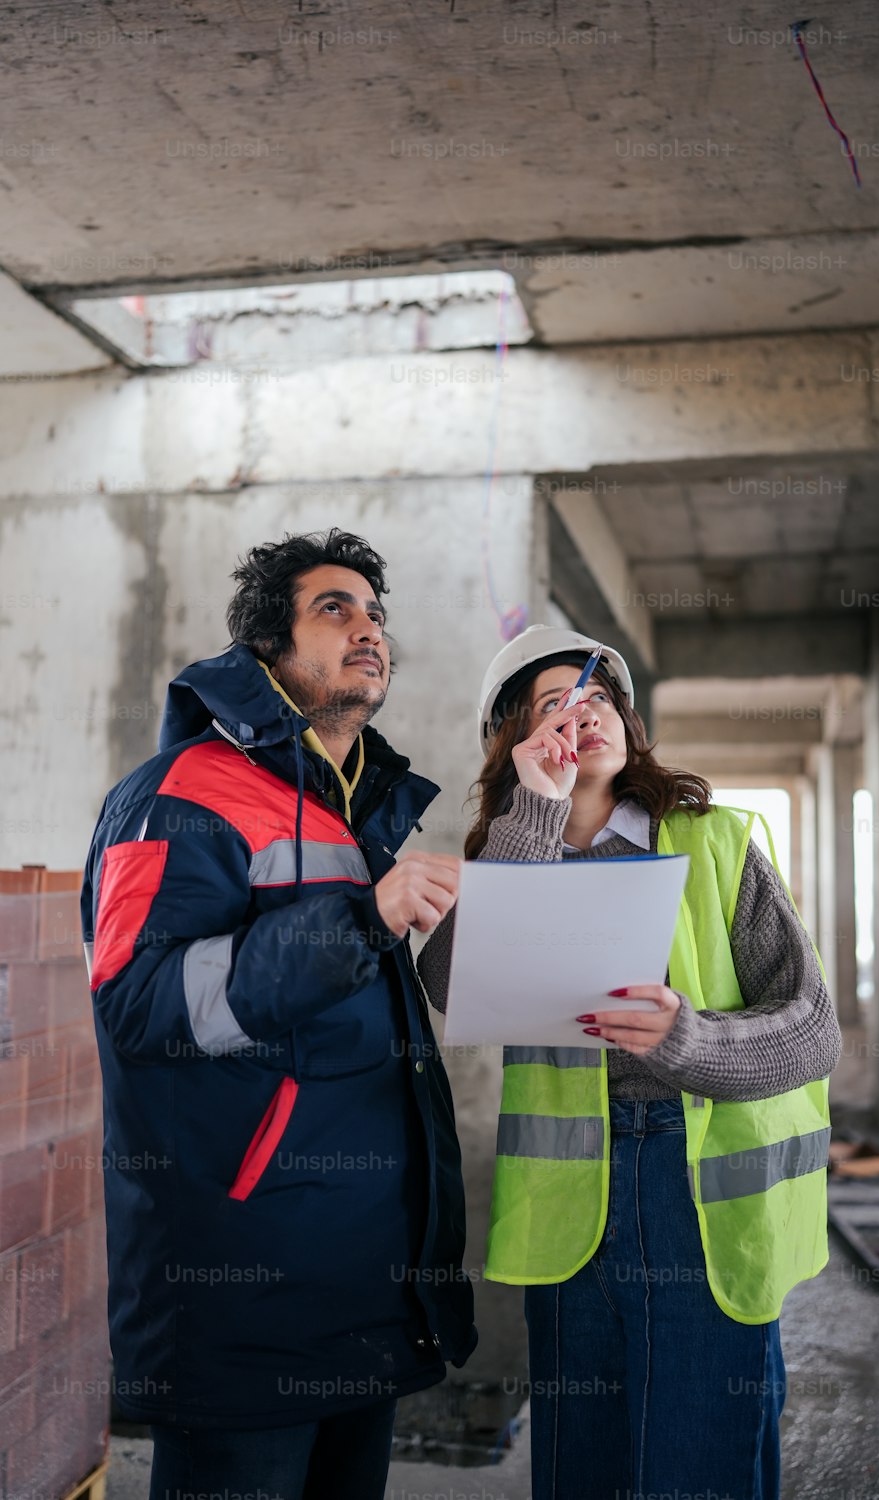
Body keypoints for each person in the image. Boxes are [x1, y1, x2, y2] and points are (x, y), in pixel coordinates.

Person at [81, 528, 476, 1500]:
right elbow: (137, 1003)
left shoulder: (360, 812)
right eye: (333, 609)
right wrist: (360, 920)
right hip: (242, 1294)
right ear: (269, 648)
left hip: (362, 1285)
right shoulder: (172, 798)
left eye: (375, 613)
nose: (367, 630)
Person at [417, 624, 842, 1500]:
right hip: (569, 1203)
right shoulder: (509, 853)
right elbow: (453, 985)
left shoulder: (717, 842)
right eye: (554, 706)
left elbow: (814, 1027)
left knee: (698, 1464)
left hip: (702, 1203)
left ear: (628, 721)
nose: (584, 714)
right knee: (585, 1466)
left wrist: (689, 1039)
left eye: (599, 697)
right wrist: (530, 814)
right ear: (517, 741)